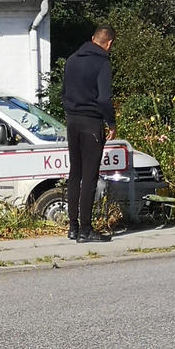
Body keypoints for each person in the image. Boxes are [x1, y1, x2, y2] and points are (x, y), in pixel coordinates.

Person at [61, 25, 117, 243]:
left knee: (75, 174)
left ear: (92, 38)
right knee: (89, 176)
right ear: (109, 43)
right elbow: (104, 98)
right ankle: (85, 230)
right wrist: (111, 122)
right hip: (91, 122)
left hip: (72, 121)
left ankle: (72, 227)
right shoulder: (102, 63)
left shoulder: (72, 60)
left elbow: (64, 92)